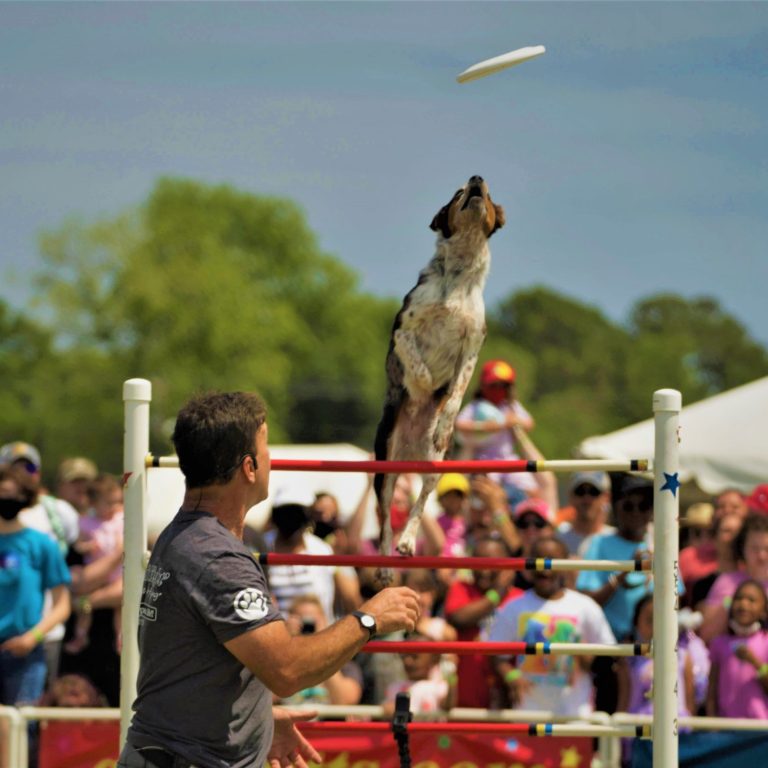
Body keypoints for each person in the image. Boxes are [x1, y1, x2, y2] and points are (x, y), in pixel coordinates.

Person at [118, 390, 421, 768]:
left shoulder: (182, 537)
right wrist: (368, 619)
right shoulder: (217, 556)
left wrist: (258, 720)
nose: (271, 461)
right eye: (266, 451)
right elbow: (287, 670)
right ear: (249, 468)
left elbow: (195, 662)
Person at [489, 535, 615, 716]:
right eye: (538, 560)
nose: (544, 568)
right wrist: (512, 677)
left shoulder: (585, 606)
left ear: (566, 565)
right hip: (528, 713)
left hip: (575, 714)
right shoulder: (514, 608)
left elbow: (607, 657)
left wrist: (585, 656)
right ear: (529, 566)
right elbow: (496, 654)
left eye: (552, 561)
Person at [0, 465, 71, 766]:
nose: (5, 498)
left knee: (22, 731)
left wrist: (32, 638)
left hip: (26, 655)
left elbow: (62, 604)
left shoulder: (42, 544)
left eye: (10, 493)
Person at [1, 441, 79, 685]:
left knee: (23, 721)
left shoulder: (51, 523)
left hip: (35, 644)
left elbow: (62, 601)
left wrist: (32, 637)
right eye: (13, 470)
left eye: (29, 469)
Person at [576, 475, 655, 714]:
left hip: (650, 655)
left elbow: (676, 599)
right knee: (608, 727)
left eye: (643, 505)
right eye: (628, 505)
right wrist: (624, 573)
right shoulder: (598, 544)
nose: (636, 512)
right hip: (610, 652)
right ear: (615, 508)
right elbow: (588, 602)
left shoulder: (661, 545)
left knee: (649, 730)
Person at [616, 595, 695, 767]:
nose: (656, 626)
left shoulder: (683, 656)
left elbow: (689, 703)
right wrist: (619, 739)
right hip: (639, 732)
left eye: (662, 619)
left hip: (677, 731)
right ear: (636, 623)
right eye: (649, 620)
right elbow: (624, 700)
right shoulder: (629, 658)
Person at [444, 535, 521, 709]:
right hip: (467, 699)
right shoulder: (461, 589)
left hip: (509, 697)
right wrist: (497, 593)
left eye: (492, 564)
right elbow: (458, 618)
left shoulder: (520, 598)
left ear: (508, 567)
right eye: (478, 563)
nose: (484, 571)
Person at [265, 486, 361, 620]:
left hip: (317, 634)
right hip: (276, 634)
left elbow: (351, 601)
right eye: (286, 512)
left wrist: (339, 561)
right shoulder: (262, 546)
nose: (291, 519)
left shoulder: (320, 550)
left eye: (297, 512)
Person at [454, 359, 537, 507]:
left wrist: (513, 421)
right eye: (494, 385)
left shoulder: (510, 406)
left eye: (503, 386)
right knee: (487, 492)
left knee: (531, 489)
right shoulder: (476, 406)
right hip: (484, 461)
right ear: (484, 386)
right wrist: (483, 427)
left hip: (509, 459)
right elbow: (459, 424)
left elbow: (529, 423)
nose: (498, 389)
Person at [65, 473, 124, 654]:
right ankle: (81, 635)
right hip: (96, 568)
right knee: (85, 614)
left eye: (117, 501)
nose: (113, 507)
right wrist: (87, 546)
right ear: (93, 504)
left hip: (118, 574)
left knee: (121, 607)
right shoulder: (86, 523)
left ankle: (121, 638)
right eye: (108, 503)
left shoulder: (121, 518)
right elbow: (79, 545)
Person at [280, 595, 363, 707]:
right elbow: (267, 699)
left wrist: (322, 648)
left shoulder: (345, 665)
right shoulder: (279, 664)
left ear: (325, 621)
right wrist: (285, 641)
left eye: (313, 620)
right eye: (302, 620)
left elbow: (344, 701)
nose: (308, 626)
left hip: (328, 723)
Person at [699, 512, 768, 643]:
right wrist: (730, 604)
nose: (762, 556)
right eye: (755, 548)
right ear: (742, 548)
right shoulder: (726, 583)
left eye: (767, 548)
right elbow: (707, 635)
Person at [706, 579, 768, 718]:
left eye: (751, 600)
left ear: (764, 611)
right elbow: (712, 689)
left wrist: (754, 662)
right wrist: (712, 723)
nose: (743, 604)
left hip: (761, 730)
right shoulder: (719, 643)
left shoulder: (766, 641)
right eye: (739, 598)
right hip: (727, 728)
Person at [383, 633, 456, 716]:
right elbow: (387, 709)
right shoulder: (395, 687)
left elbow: (448, 705)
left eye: (415, 656)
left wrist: (451, 672)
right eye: (404, 656)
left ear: (434, 659)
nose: (408, 662)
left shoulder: (438, 686)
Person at [689, 512, 743, 609]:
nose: (733, 537)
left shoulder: (753, 580)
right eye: (727, 531)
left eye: (738, 532)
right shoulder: (702, 586)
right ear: (714, 538)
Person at [557, 471, 614, 556]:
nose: (586, 499)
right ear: (570, 496)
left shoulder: (617, 539)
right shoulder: (557, 541)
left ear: (607, 497)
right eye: (580, 491)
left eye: (594, 492)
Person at [511, 497, 556, 590]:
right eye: (523, 523)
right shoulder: (508, 564)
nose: (531, 529)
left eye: (538, 523)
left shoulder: (565, 564)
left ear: (551, 529)